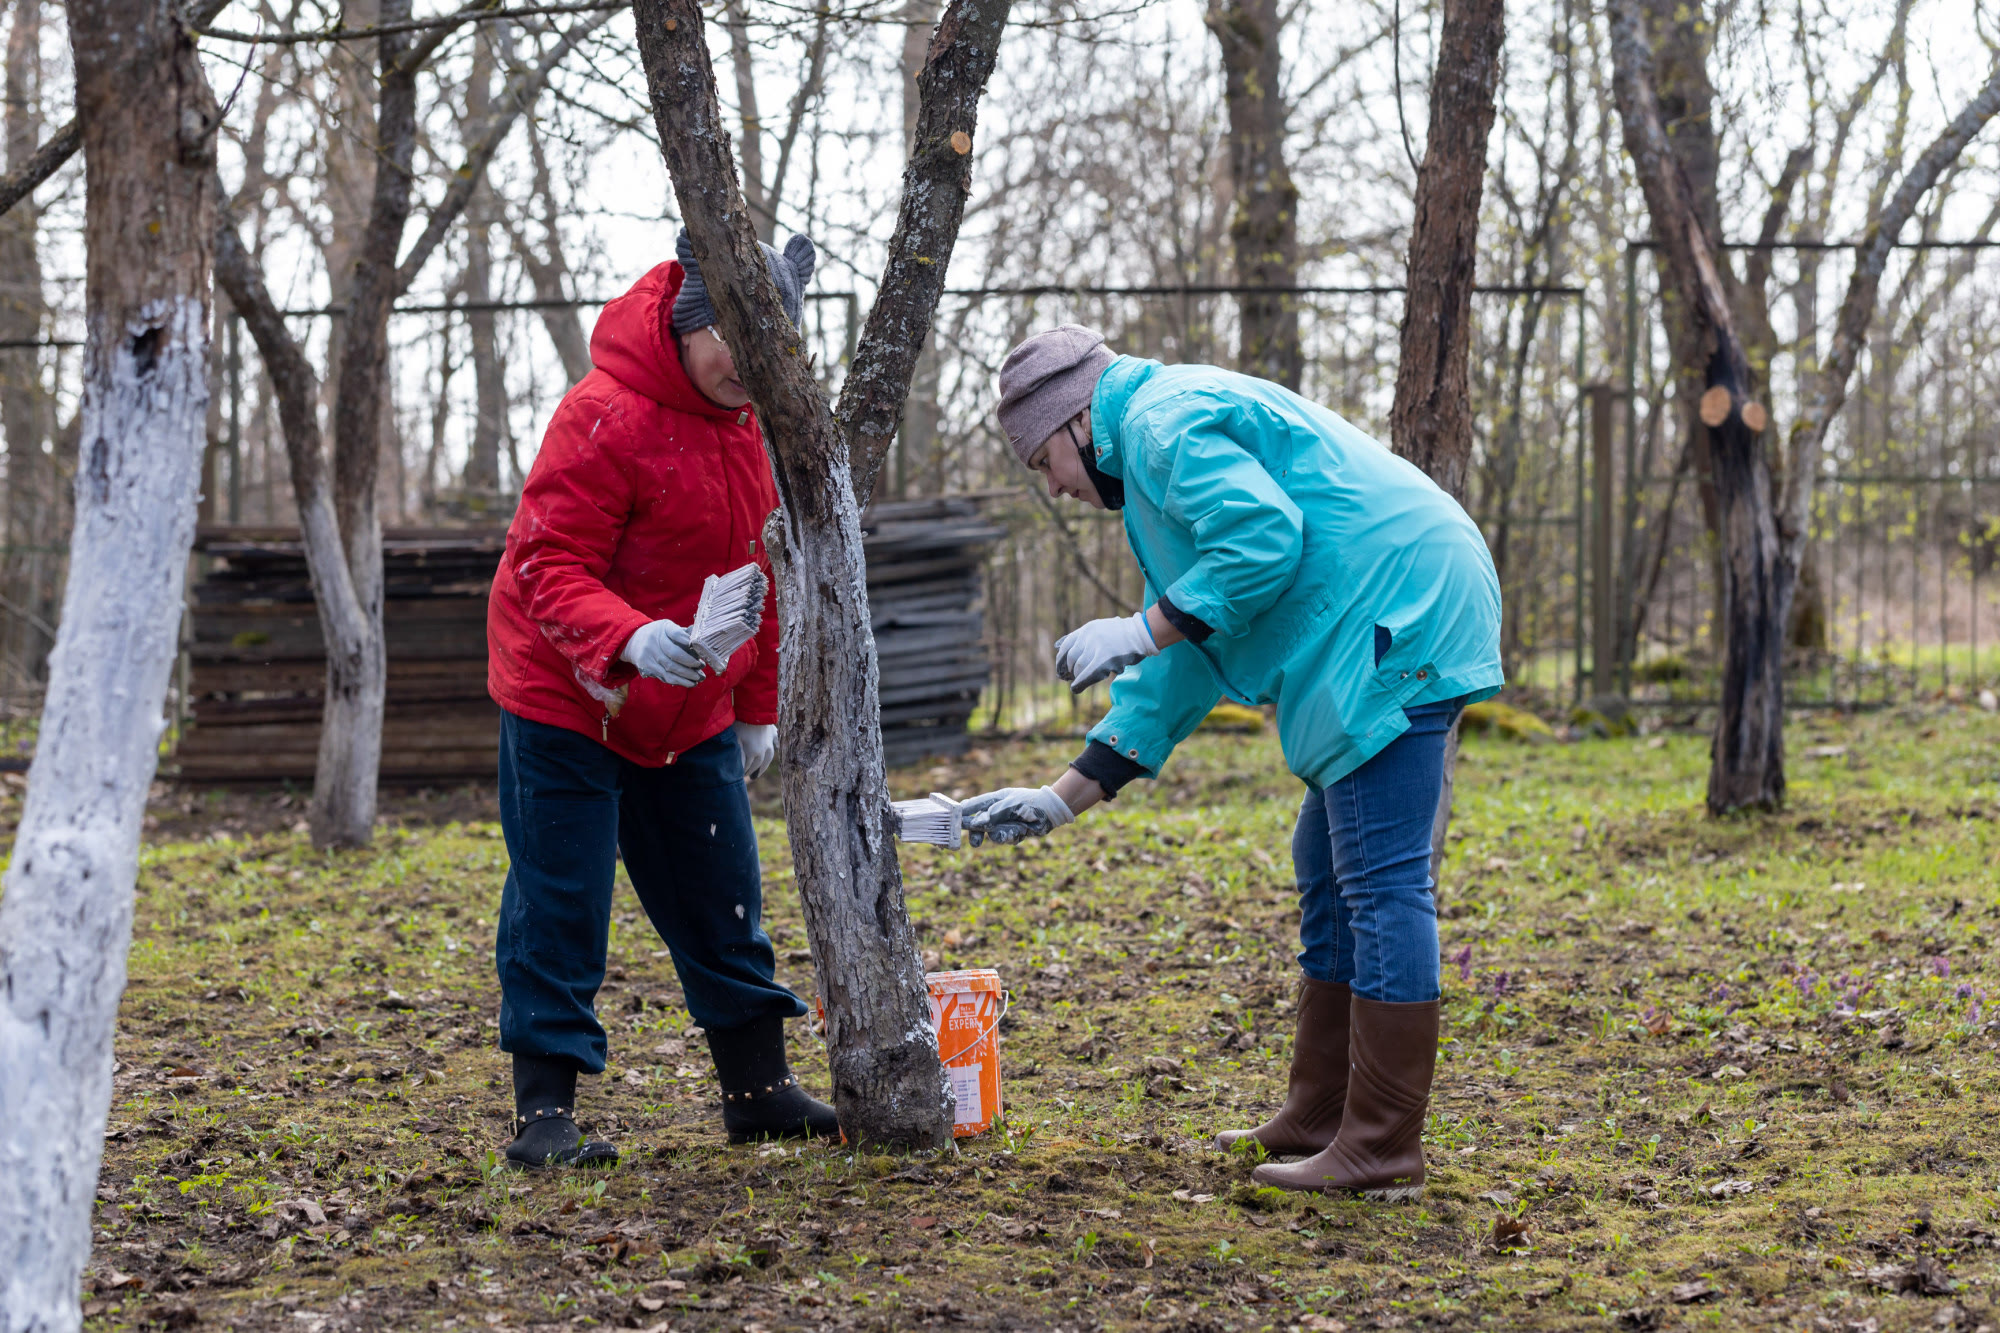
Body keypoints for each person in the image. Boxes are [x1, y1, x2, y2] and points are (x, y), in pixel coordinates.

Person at [962, 325, 1502, 1200]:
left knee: (1378, 877)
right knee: (1326, 868)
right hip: (1391, 606)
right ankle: (1321, 1110)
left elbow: (1260, 545)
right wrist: (1061, 798)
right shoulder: (1154, 454)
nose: (1057, 487)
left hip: (1397, 611)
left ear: (1070, 425)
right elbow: (1191, 648)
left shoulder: (1161, 426)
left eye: (1043, 464)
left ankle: (1381, 1142)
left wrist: (1138, 628)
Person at [483, 228, 839, 1169]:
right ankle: (544, 1114)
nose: (750, 366)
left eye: (771, 345)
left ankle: (758, 1092)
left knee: (722, 897)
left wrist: (755, 702)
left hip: (692, 713)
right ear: (688, 324)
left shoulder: (755, 435)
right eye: (733, 337)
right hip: (569, 694)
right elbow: (544, 563)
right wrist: (630, 636)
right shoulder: (603, 413)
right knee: (562, 899)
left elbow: (763, 579)